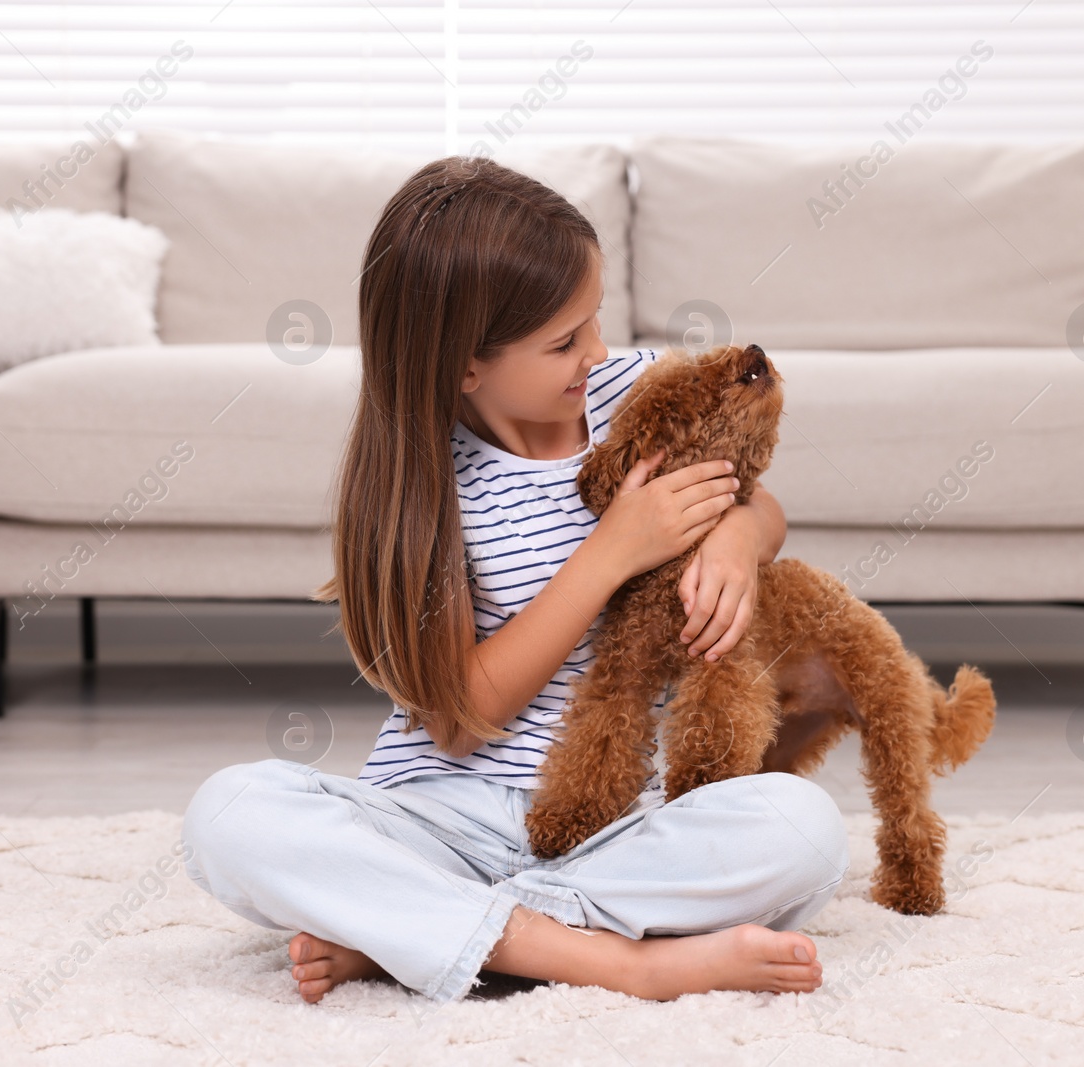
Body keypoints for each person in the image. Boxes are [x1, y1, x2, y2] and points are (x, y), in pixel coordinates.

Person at [182, 155, 850, 1006]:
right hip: (443, 816)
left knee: (805, 833)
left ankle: (416, 936)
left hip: (623, 820)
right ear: (465, 366)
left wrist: (736, 536)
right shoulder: (417, 489)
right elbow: (464, 717)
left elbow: (761, 503)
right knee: (229, 813)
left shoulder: (629, 393)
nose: (598, 351)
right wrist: (611, 551)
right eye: (565, 341)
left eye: (595, 320)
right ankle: (618, 960)